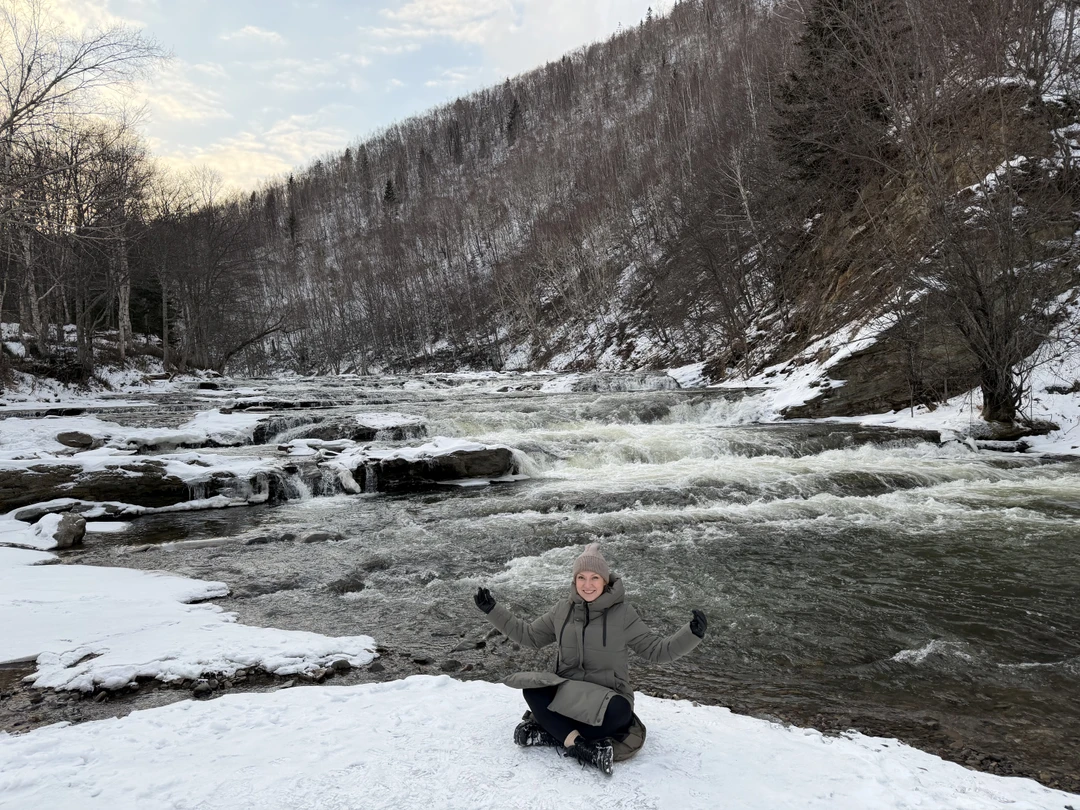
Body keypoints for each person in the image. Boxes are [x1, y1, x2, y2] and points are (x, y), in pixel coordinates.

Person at [473, 542, 707, 775]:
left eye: (594, 578)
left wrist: (691, 634)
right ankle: (579, 746)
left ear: (605, 581)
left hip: (607, 700)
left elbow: (656, 651)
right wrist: (493, 610)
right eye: (581, 578)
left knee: (619, 713)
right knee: (533, 689)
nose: (587, 585)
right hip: (569, 692)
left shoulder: (623, 614)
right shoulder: (561, 610)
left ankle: (552, 732)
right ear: (574, 581)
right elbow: (530, 636)